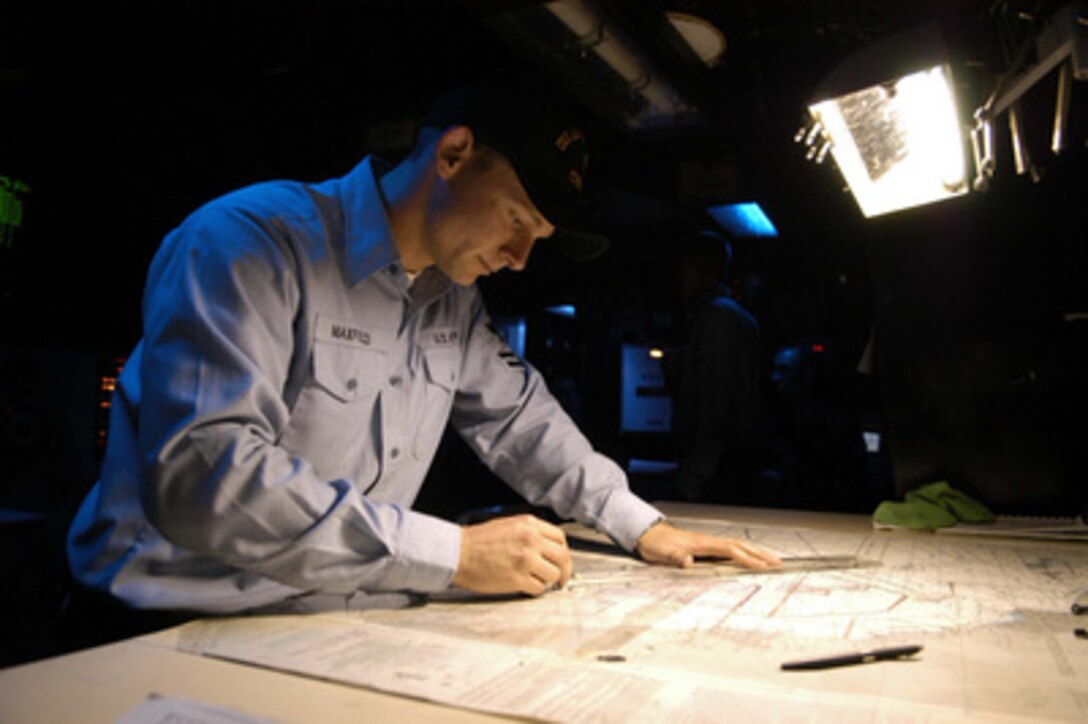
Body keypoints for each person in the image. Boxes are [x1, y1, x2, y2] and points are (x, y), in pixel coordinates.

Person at [65, 80, 780, 633]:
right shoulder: (250, 242)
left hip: (322, 616)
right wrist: (455, 555)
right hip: (168, 621)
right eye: (517, 221)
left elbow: (521, 420)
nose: (524, 259)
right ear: (452, 155)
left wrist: (641, 524)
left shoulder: (450, 296)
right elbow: (203, 473)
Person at [665, 230, 769, 503]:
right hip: (736, 459)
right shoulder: (742, 318)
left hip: (717, 467)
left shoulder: (714, 320)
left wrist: (694, 473)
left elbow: (716, 399)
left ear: (696, 269)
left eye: (684, 270)